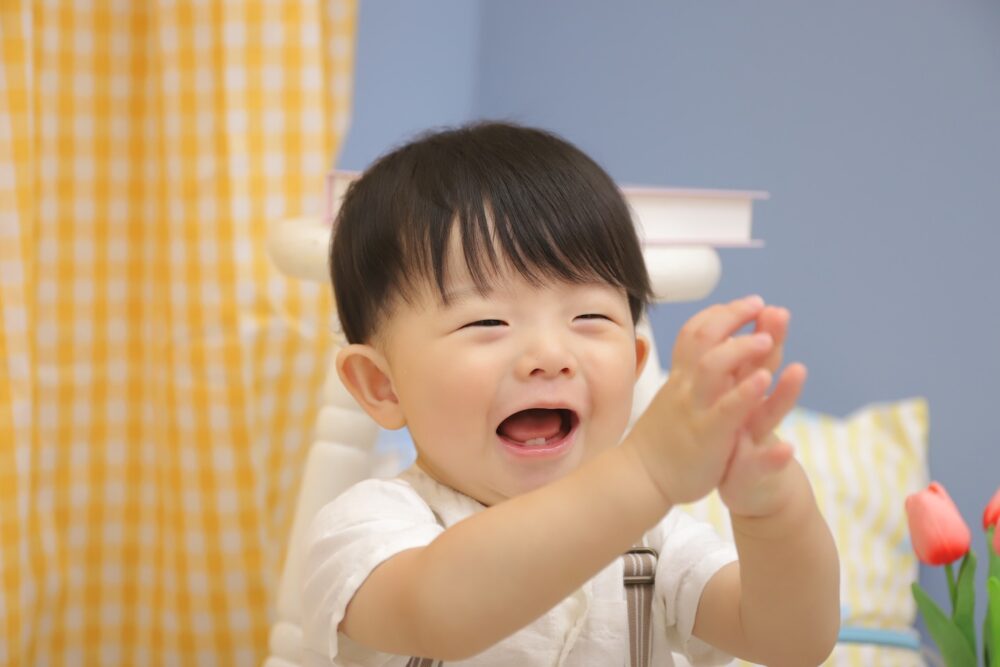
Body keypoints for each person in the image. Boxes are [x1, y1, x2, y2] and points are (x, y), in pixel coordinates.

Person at [301, 122, 840, 667]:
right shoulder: (370, 527)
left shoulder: (654, 539)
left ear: (634, 367)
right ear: (382, 385)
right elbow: (437, 615)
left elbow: (790, 643)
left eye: (589, 317)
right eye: (487, 321)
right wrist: (646, 469)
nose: (551, 354)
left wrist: (773, 510)